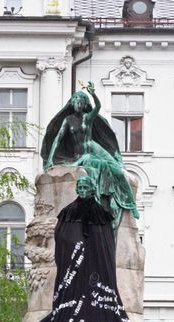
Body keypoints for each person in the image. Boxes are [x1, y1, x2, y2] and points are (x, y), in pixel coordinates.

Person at [41, 82, 139, 231]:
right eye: (76, 100)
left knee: (119, 171)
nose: (79, 103)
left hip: (94, 148)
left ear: (85, 103)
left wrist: (93, 94)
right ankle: (104, 199)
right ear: (72, 103)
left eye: (82, 101)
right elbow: (58, 139)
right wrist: (49, 160)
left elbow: (98, 108)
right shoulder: (68, 121)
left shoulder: (88, 118)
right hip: (82, 156)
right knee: (102, 168)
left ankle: (131, 204)